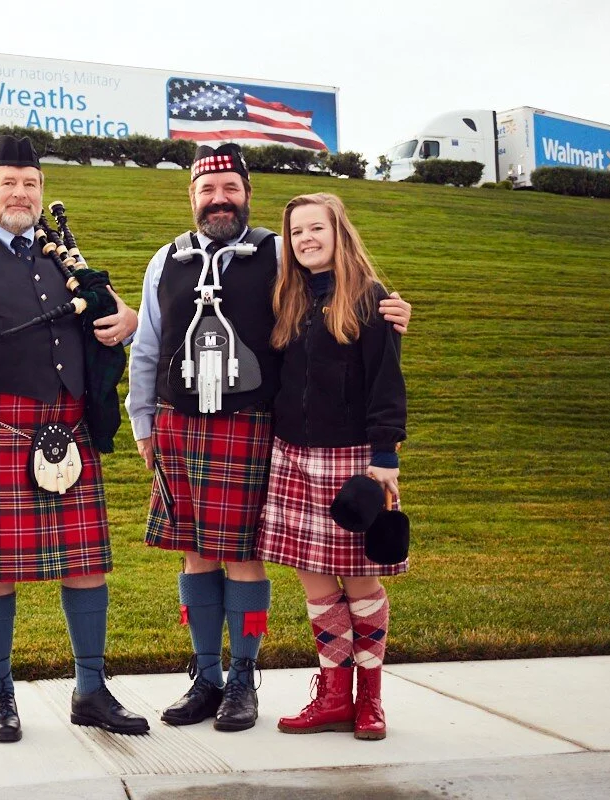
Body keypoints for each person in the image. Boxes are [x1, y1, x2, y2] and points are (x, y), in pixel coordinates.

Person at [126, 144, 410, 733]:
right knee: (195, 553)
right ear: (193, 198)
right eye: (208, 190)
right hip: (180, 425)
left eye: (230, 187)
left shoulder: (279, 251)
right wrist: (142, 421)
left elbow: (344, 287)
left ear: (247, 193)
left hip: (256, 425)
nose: (219, 198)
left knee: (245, 556)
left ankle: (241, 684)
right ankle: (205, 677)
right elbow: (148, 345)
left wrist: (390, 307)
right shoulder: (165, 260)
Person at [0, 134, 145, 743]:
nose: (21, 193)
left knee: (86, 564)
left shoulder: (60, 253)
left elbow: (108, 315)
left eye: (31, 183)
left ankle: (91, 690)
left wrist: (128, 320)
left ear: (42, 192)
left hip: (65, 428)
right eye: (9, 182)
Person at [256, 192, 408, 741]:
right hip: (293, 457)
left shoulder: (370, 300)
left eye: (315, 229)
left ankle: (371, 700)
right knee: (318, 590)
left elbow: (386, 384)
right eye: (296, 233)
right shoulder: (288, 300)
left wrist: (384, 456)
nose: (306, 240)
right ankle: (333, 696)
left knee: (361, 585)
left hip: (352, 461)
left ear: (338, 232)